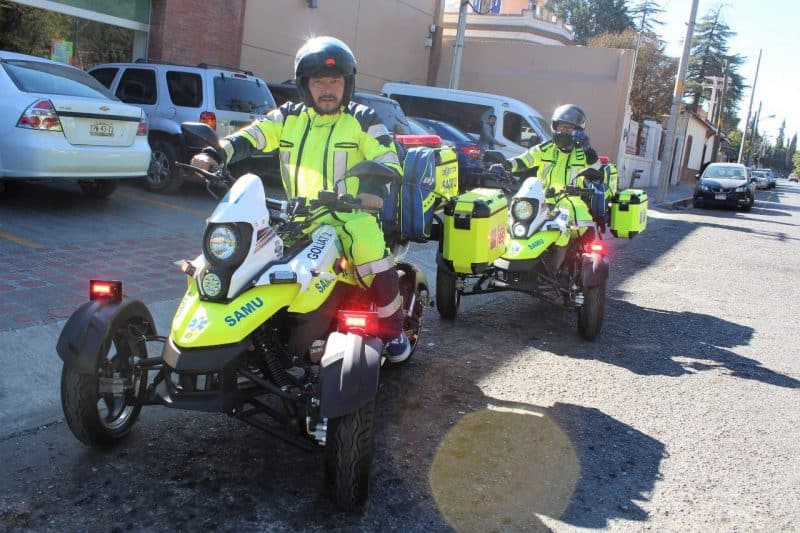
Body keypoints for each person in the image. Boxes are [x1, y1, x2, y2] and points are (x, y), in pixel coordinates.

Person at [190, 36, 411, 362]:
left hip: (350, 214)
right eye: (318, 81)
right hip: (297, 216)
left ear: (347, 84)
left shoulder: (363, 119)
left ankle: (393, 331)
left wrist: (373, 191)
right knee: (250, 261)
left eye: (335, 81)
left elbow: (387, 158)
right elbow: (251, 136)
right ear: (304, 85)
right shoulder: (288, 117)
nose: (327, 89)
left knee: (372, 255)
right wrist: (215, 153)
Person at [492, 104, 598, 191]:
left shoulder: (583, 153)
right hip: (542, 200)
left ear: (578, 131)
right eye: (561, 126)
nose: (564, 131)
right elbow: (524, 160)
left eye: (569, 128)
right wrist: (505, 166)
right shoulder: (546, 148)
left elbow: (599, 174)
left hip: (571, 202)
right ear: (555, 127)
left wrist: (588, 149)